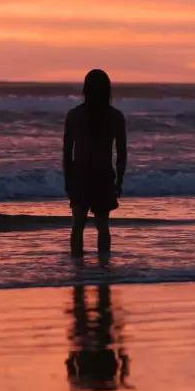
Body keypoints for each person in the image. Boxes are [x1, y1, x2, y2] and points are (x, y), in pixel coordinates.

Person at [63, 69, 127, 257]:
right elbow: (122, 153)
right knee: (102, 226)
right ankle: (103, 269)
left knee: (78, 224)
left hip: (81, 174)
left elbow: (67, 152)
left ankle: (77, 270)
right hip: (103, 174)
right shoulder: (115, 116)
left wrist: (68, 179)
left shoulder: (75, 115)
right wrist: (119, 180)